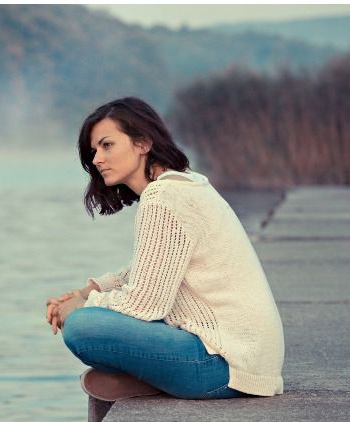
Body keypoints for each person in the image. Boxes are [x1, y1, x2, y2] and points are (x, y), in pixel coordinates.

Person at [45, 97, 284, 399]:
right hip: (248, 360)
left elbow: (145, 304)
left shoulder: (164, 196)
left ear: (143, 143)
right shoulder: (184, 185)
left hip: (224, 364)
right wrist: (87, 290)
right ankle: (154, 379)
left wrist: (82, 306)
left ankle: (155, 378)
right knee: (94, 315)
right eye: (93, 151)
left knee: (82, 327)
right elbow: (151, 269)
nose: (96, 159)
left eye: (107, 145)